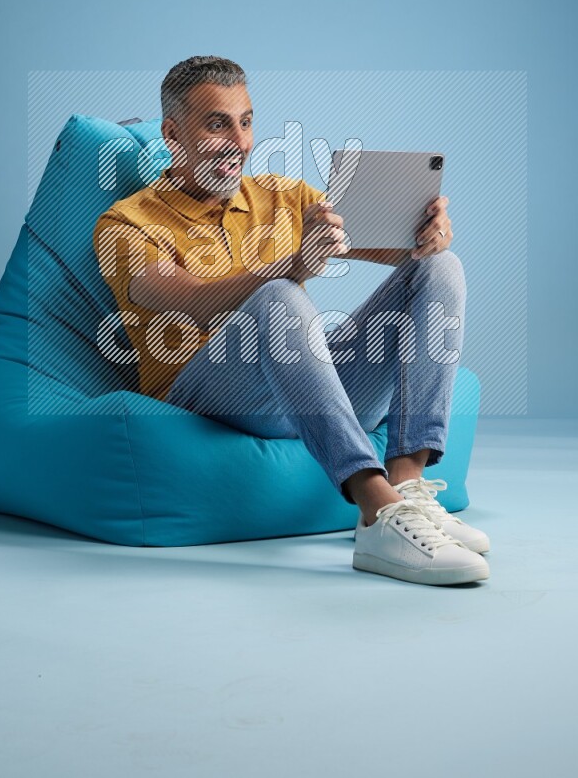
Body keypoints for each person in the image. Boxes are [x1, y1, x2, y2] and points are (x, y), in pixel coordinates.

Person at [93, 56, 490, 586]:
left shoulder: (283, 196)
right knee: (278, 293)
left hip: (301, 383)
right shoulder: (125, 222)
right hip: (208, 395)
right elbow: (187, 297)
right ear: (173, 133)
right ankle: (375, 512)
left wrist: (426, 236)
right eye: (217, 124)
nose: (238, 140)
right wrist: (288, 267)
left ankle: (408, 489)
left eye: (247, 121)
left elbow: (391, 250)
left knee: (440, 269)